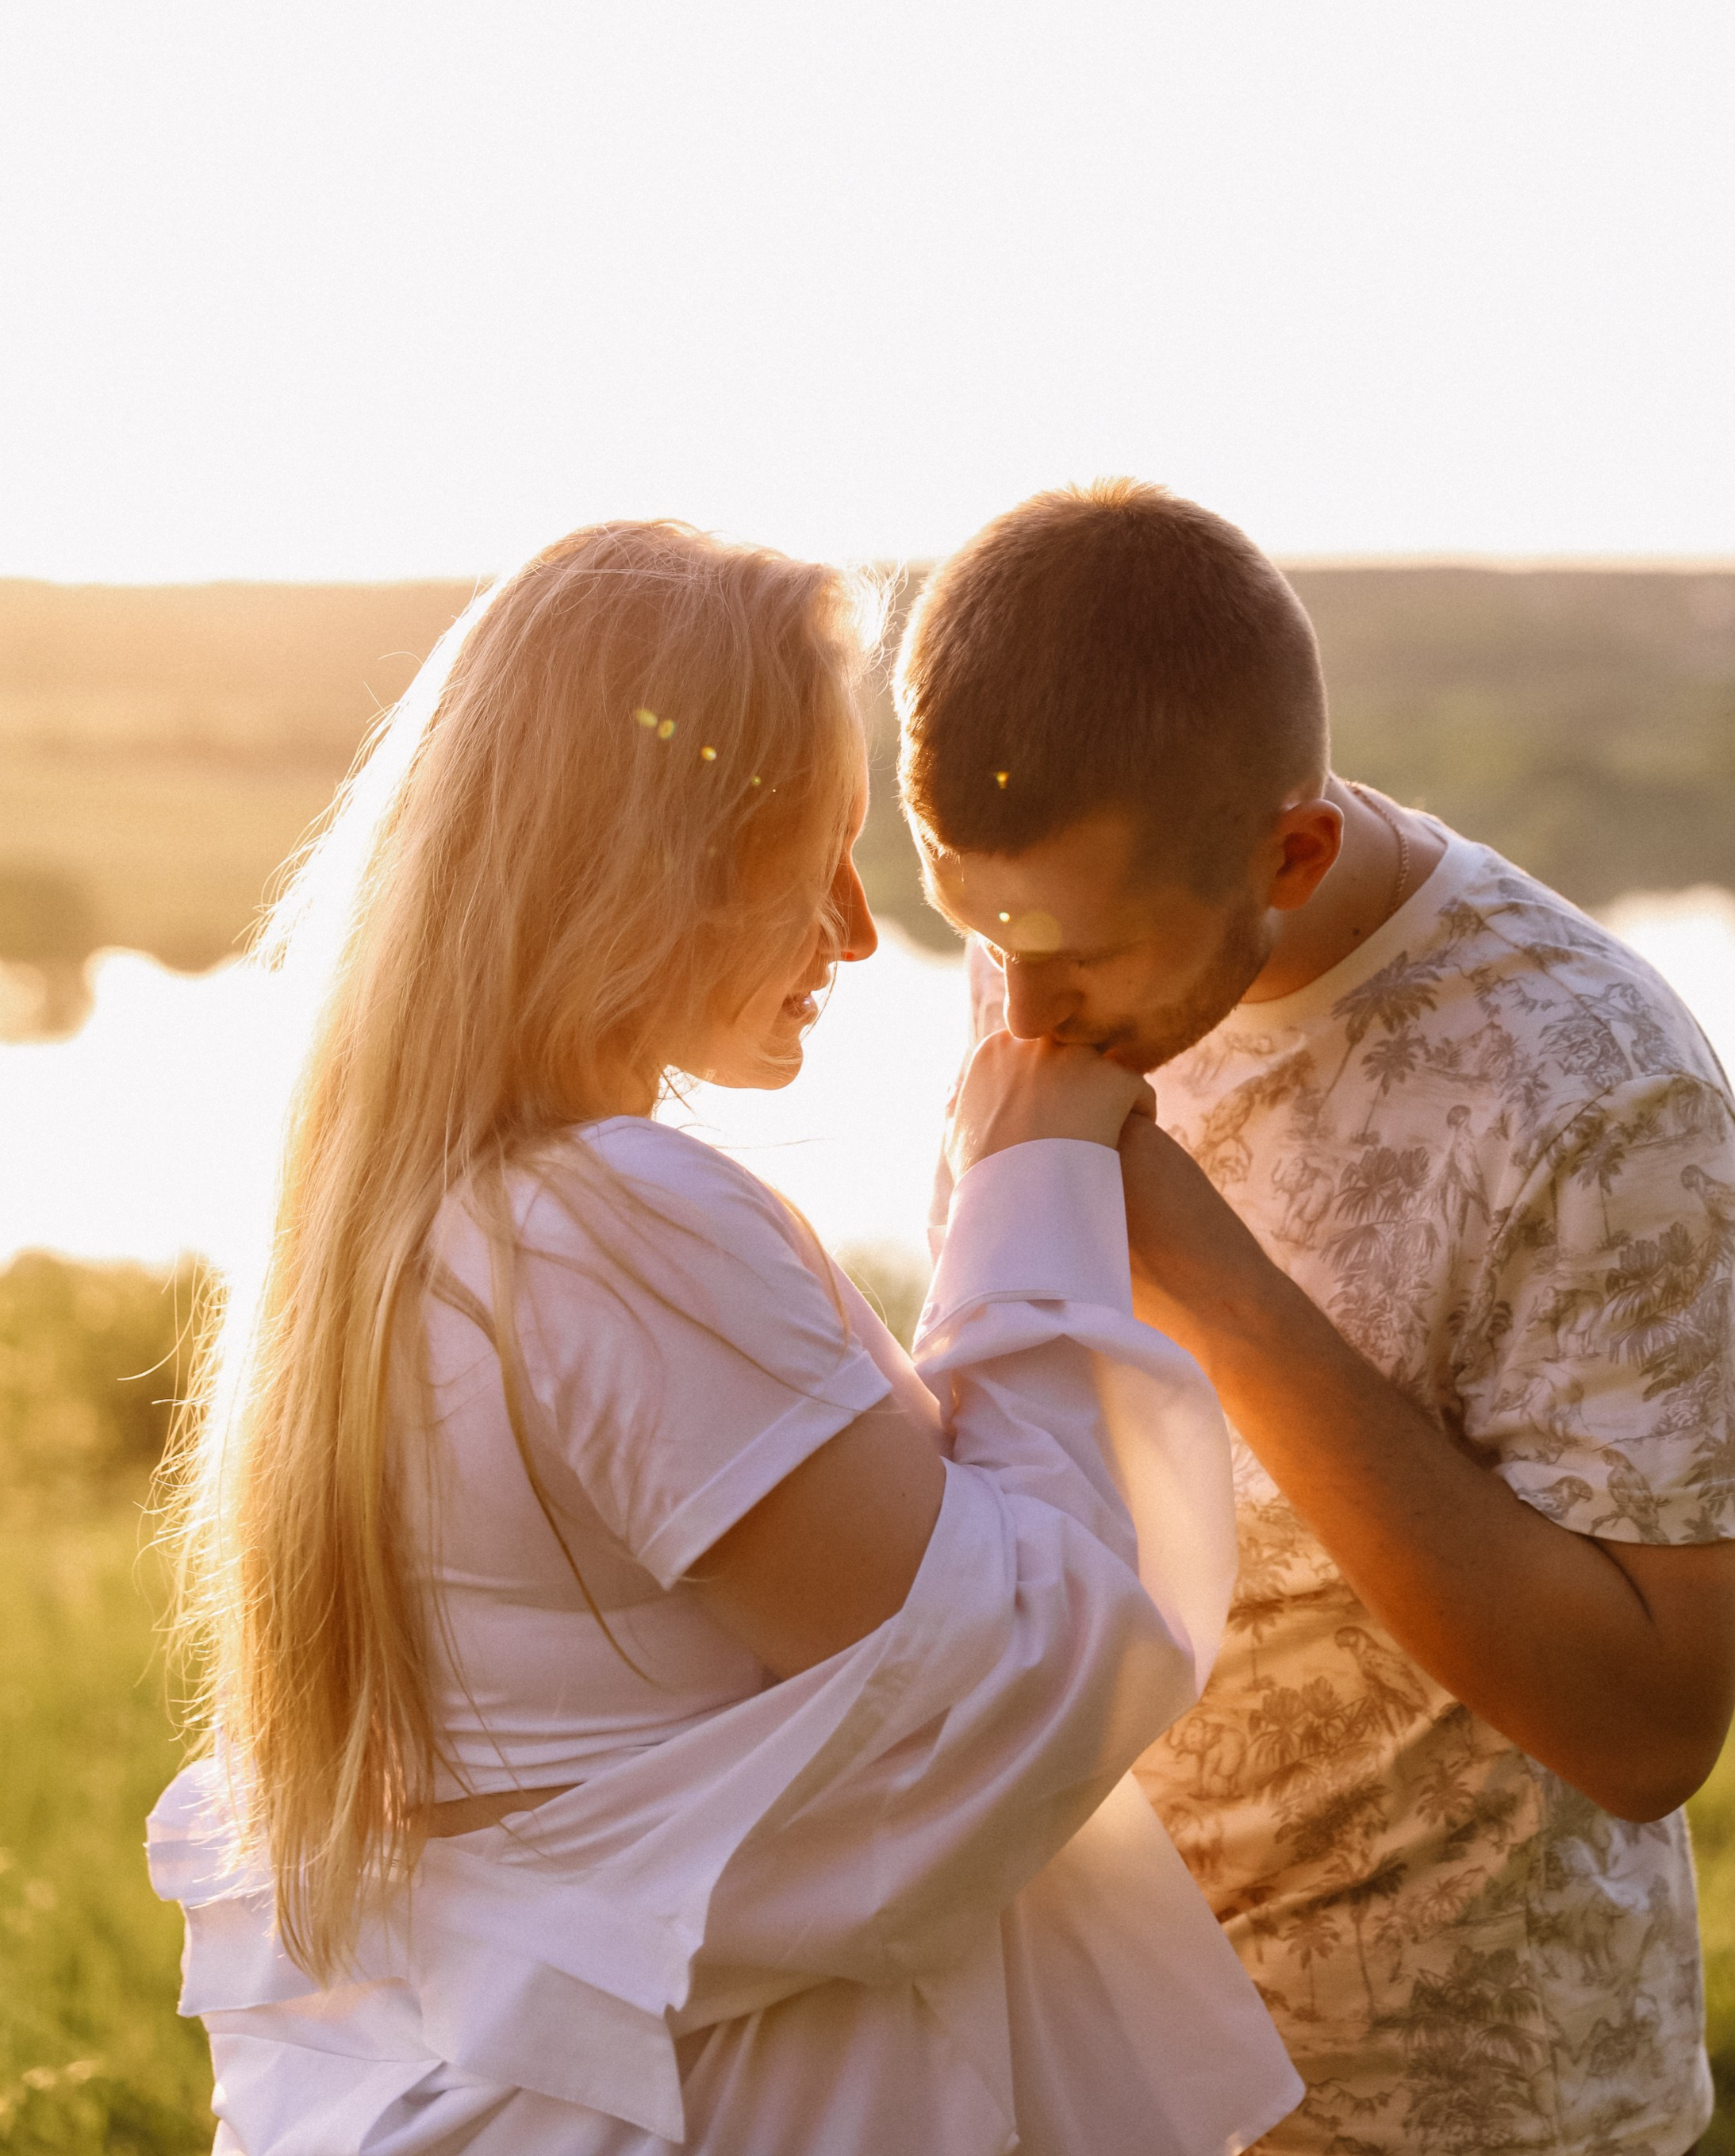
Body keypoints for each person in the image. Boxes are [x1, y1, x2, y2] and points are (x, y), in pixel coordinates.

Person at [148, 520, 1300, 2156]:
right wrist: (1030, 1182)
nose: (849, 932)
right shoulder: (610, 1222)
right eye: (814, 859)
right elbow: (1010, 1677)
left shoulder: (406, 1218)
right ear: (653, 864)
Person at [902, 479, 1735, 2156]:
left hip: (1467, 2109)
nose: (1019, 1004)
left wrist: (1200, 1271)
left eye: (1077, 952)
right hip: (1093, 2078)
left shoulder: (1595, 1091)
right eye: (970, 924)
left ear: (1287, 849)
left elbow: (1650, 1727)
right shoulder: (1049, 953)